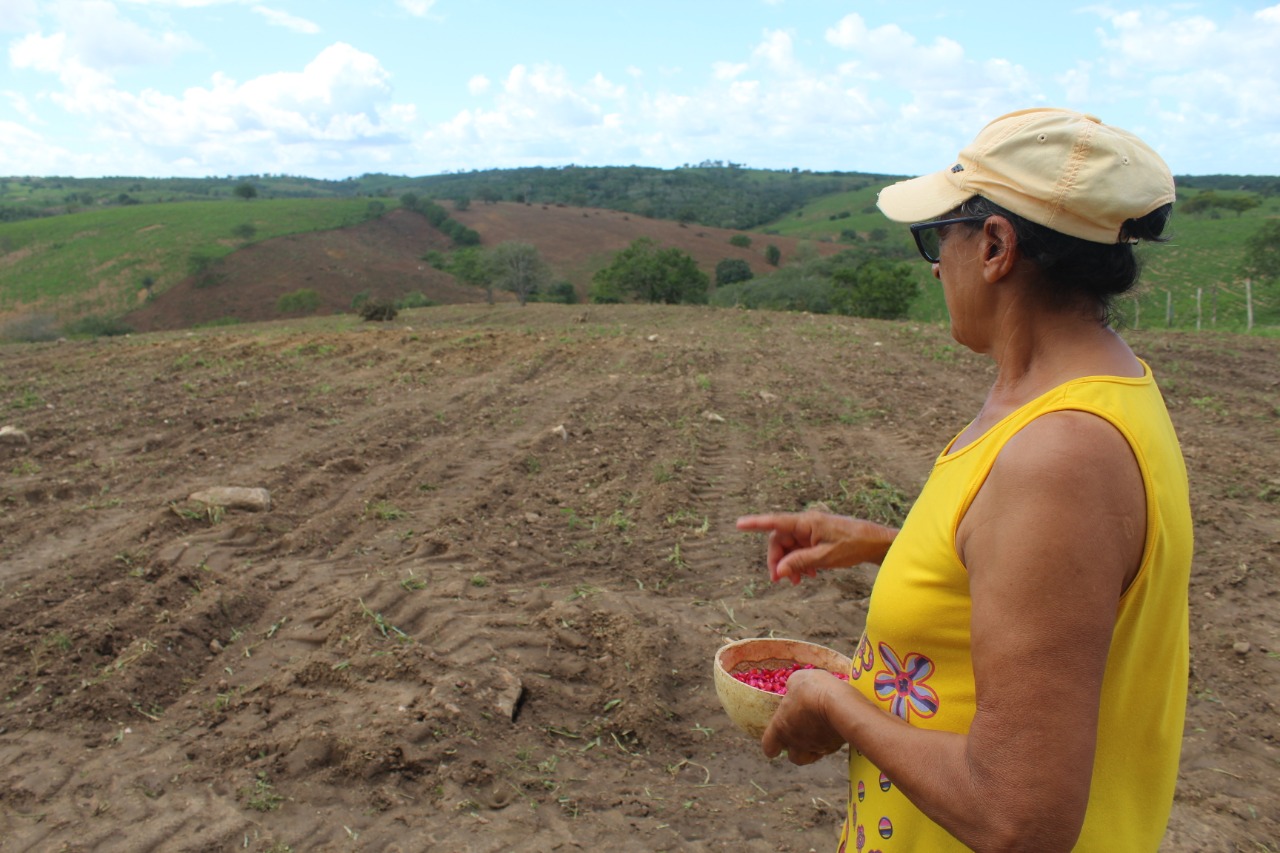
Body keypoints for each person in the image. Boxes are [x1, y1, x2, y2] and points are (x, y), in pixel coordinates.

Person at [736, 108, 1192, 852]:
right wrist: (897, 545)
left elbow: (1018, 817)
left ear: (994, 245)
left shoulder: (1060, 454)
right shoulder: (1086, 392)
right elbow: (1053, 586)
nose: (935, 264)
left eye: (933, 239)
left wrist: (834, 704)